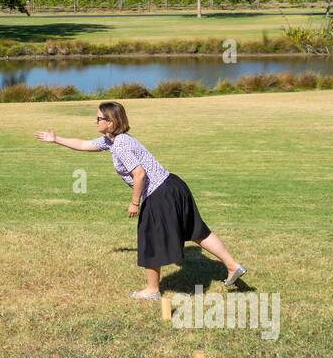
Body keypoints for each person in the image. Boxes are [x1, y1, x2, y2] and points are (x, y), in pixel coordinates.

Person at [34, 101, 247, 301]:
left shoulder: (120, 145)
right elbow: (83, 144)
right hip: (173, 185)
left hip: (159, 193)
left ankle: (152, 290)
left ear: (110, 122)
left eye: (99, 118)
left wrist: (135, 202)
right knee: (196, 230)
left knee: (149, 238)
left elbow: (139, 174)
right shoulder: (112, 140)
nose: (95, 121)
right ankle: (232, 266)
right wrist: (56, 139)